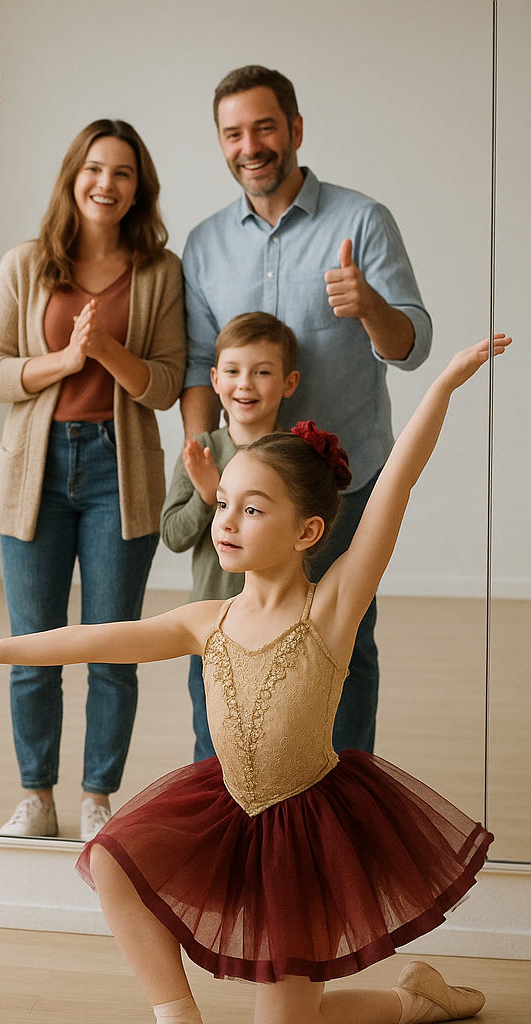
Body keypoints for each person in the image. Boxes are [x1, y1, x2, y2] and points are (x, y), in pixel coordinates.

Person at [0, 332, 508, 1023]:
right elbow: (95, 637)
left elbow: (398, 481)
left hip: (306, 832)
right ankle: (177, 1016)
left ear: (306, 533)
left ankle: (411, 1001)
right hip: (226, 809)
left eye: (252, 509)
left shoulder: (330, 610)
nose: (227, 522)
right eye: (222, 504)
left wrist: (444, 384)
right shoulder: (205, 621)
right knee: (115, 863)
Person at [181, 64, 433, 757]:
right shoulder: (204, 244)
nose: (249, 145)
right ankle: (235, 793)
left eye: (263, 127)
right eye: (233, 133)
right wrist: (206, 465)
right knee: (234, 641)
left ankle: (345, 796)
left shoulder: (362, 220)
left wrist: (368, 305)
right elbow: (198, 367)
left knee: (341, 639)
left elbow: (410, 346)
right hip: (248, 491)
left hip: (345, 482)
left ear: (294, 129)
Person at [0, 119, 186, 841]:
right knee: (32, 647)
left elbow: (164, 386)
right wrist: (64, 364)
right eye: (95, 168)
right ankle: (37, 796)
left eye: (122, 172)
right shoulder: (25, 263)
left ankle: (98, 797)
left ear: (138, 189)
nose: (106, 183)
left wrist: (108, 352)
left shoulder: (160, 273)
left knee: (111, 646)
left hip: (117, 474)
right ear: (73, 177)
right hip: (34, 472)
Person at [161, 311, 298, 763]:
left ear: (288, 382)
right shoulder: (201, 449)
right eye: (235, 372)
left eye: (262, 372)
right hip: (214, 629)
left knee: (277, 745)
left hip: (282, 628)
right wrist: (207, 494)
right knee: (212, 746)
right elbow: (173, 536)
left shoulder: (296, 456)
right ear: (216, 379)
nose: (247, 384)